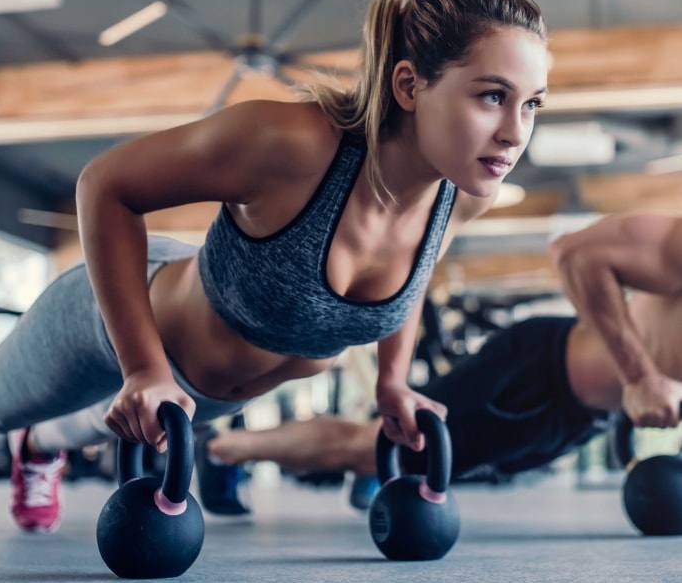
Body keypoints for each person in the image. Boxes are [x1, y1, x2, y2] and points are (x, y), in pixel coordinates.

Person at [0, 0, 549, 532]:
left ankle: (38, 448)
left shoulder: (466, 196)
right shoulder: (291, 144)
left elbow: (411, 280)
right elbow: (106, 185)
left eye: (531, 104)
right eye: (492, 96)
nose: (515, 132)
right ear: (410, 84)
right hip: (115, 325)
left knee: (80, 428)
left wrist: (392, 382)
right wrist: (143, 368)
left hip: (198, 399)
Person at [194, 211, 682, 513]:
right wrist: (639, 376)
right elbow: (576, 253)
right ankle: (223, 446)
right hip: (534, 374)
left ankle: (377, 472)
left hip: (578, 419)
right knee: (369, 447)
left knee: (400, 460)